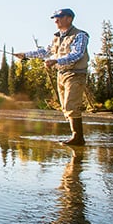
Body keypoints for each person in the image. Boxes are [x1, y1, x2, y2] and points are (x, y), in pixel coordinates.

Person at [15, 8, 89, 146]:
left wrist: (56, 61)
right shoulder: (56, 37)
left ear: (69, 18)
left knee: (70, 105)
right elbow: (45, 52)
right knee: (65, 107)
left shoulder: (80, 36)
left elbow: (77, 54)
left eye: (59, 17)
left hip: (75, 74)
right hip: (61, 75)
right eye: (55, 17)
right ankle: (77, 137)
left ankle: (78, 138)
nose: (56, 20)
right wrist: (25, 55)